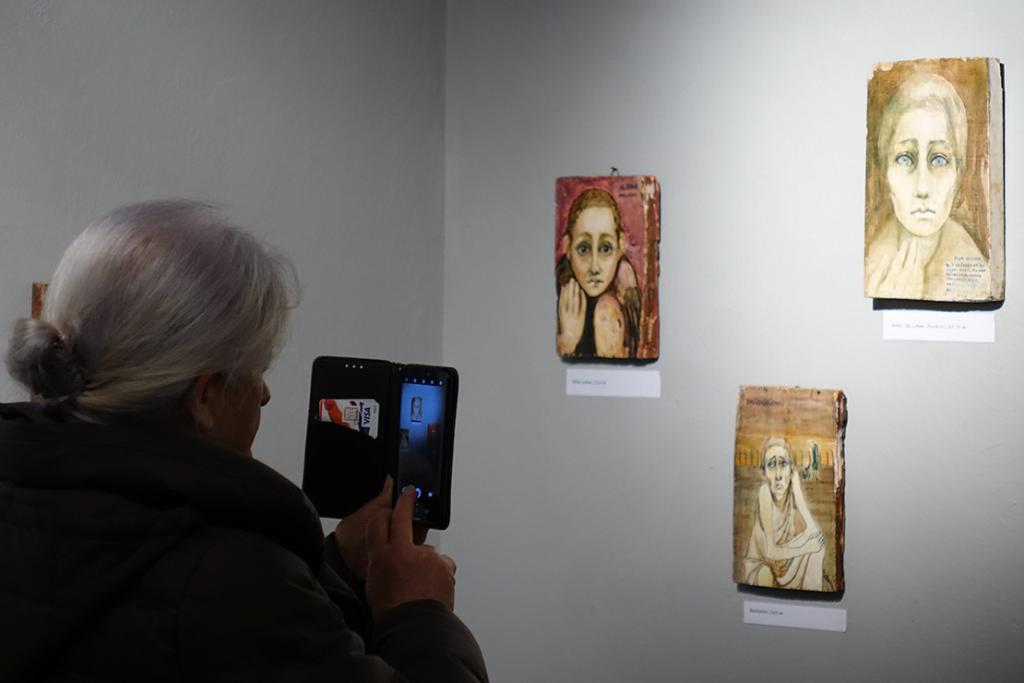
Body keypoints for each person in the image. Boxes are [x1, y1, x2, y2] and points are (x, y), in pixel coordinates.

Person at [0, 200, 488, 681]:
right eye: (256, 370)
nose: (265, 394)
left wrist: (337, 564)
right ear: (206, 396)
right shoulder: (232, 577)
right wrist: (418, 611)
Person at [865, 71, 989, 300]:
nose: (922, 188)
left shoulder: (977, 275)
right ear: (884, 170)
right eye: (905, 158)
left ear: (959, 171)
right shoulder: (871, 262)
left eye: (939, 160)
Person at [556, 188, 642, 358]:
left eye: (605, 248)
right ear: (567, 247)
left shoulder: (627, 292)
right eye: (583, 249)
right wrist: (567, 340)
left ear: (620, 246)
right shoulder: (558, 291)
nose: (594, 267)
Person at [742, 437, 825, 591]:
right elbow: (771, 551)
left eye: (783, 464)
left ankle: (811, 592)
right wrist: (806, 548)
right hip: (765, 560)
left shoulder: (793, 482)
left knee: (818, 546)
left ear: (791, 469)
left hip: (784, 556)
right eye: (771, 465)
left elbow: (813, 530)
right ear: (764, 473)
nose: (778, 475)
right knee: (766, 574)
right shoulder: (765, 493)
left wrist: (810, 544)